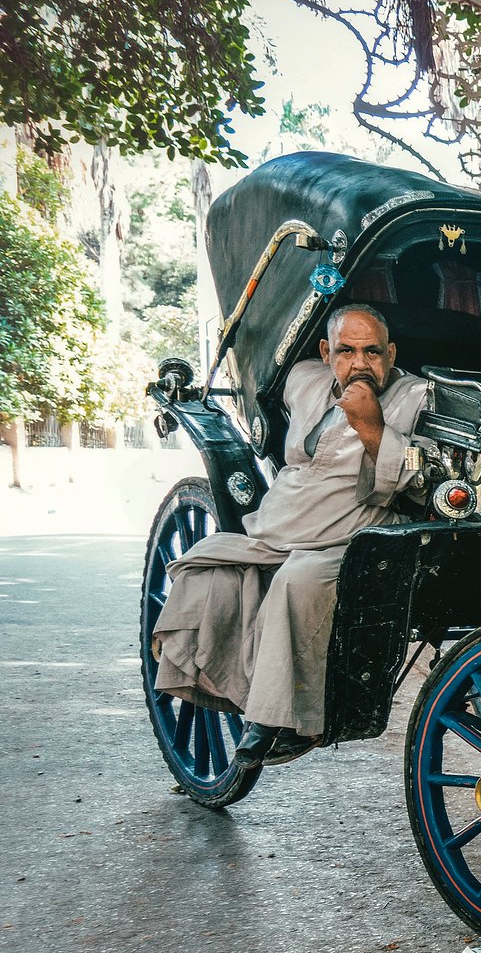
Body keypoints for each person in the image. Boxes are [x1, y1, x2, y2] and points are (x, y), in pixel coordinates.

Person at [152, 303, 434, 766]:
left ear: (391, 353)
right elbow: (268, 398)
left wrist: (371, 428)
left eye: (372, 352)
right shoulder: (304, 380)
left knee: (298, 580)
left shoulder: (414, 397)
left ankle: (277, 719)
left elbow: (421, 482)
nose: (359, 363)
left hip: (352, 536)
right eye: (346, 351)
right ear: (326, 352)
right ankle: (245, 692)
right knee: (208, 565)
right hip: (273, 529)